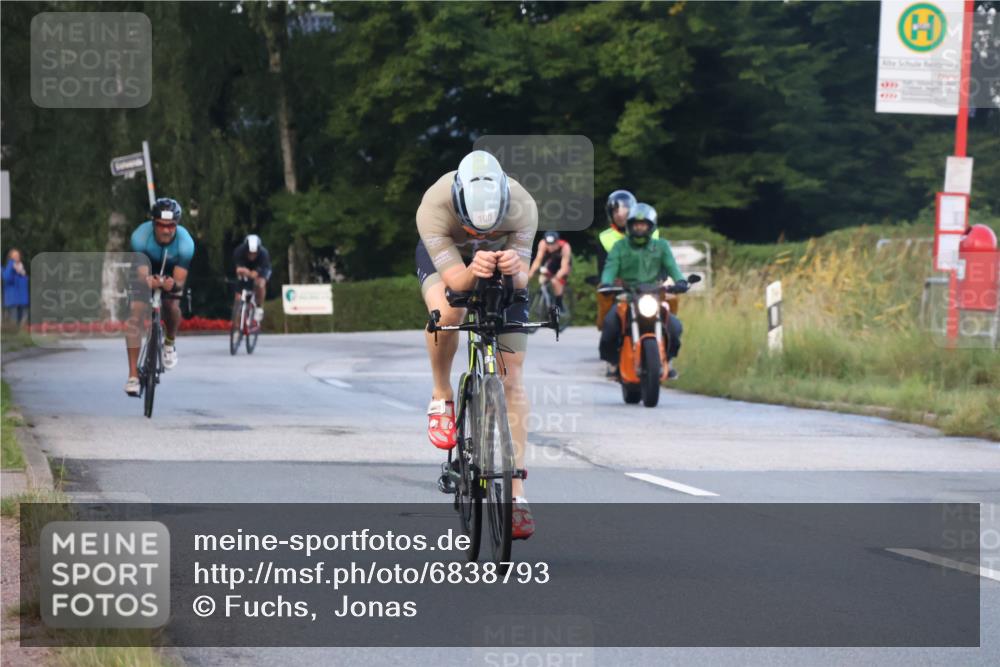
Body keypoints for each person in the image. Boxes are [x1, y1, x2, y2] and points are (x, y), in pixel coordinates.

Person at [416, 150, 538, 539]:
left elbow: (520, 284)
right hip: (451, 261)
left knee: (513, 377)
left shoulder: (523, 206)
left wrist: (510, 271)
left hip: (502, 263)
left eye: (488, 228)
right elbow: (455, 283)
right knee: (449, 315)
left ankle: (517, 496)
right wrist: (471, 269)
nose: (479, 237)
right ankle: (441, 394)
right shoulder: (434, 206)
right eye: (473, 228)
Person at [598, 203, 687, 379]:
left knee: (675, 327)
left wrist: (681, 281)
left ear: (650, 225)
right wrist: (606, 283)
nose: (639, 228)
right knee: (609, 325)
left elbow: (672, 266)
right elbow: (610, 267)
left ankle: (668, 361)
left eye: (643, 224)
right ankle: (614, 363)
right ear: (629, 226)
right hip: (627, 296)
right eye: (635, 224)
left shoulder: (661, 246)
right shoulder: (619, 247)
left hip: (655, 295)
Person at [124, 198, 195, 396]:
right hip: (145, 268)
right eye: (162, 225)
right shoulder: (140, 237)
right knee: (135, 314)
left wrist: (172, 285)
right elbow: (141, 274)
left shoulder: (186, 244)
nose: (166, 230)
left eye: (171, 226)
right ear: (154, 223)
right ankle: (132, 376)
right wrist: (148, 281)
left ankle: (169, 343)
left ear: (177, 225)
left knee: (172, 305)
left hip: (172, 271)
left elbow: (179, 281)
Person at [595, 189, 661, 277]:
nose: (620, 214)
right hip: (621, 285)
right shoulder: (605, 238)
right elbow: (603, 273)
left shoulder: (652, 232)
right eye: (615, 211)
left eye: (624, 210)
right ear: (610, 215)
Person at [527, 230, 571, 311]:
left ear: (557, 242)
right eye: (548, 244)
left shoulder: (565, 247)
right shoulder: (543, 243)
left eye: (553, 244)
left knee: (555, 281)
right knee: (542, 279)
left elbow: (564, 266)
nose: (550, 247)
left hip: (562, 263)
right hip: (551, 261)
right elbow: (538, 260)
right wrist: (530, 274)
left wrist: (556, 277)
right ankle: (546, 302)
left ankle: (559, 302)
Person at [232, 234, 271, 322]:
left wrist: (249, 273)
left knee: (260, 283)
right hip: (246, 266)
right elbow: (238, 270)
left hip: (262, 268)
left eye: (255, 253)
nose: (252, 255)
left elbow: (254, 274)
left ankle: (259, 307)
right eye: (249, 253)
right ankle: (238, 325)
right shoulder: (239, 252)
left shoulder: (264, 254)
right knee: (238, 296)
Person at [2, 248, 30, 330]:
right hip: (13, 302)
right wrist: (11, 265)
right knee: (13, 326)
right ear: (10, 257)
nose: (16, 257)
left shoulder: (21, 269)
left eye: (17, 255)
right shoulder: (9, 269)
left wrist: (22, 273)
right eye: (14, 255)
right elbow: (6, 278)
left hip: (22, 301)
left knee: (23, 326)